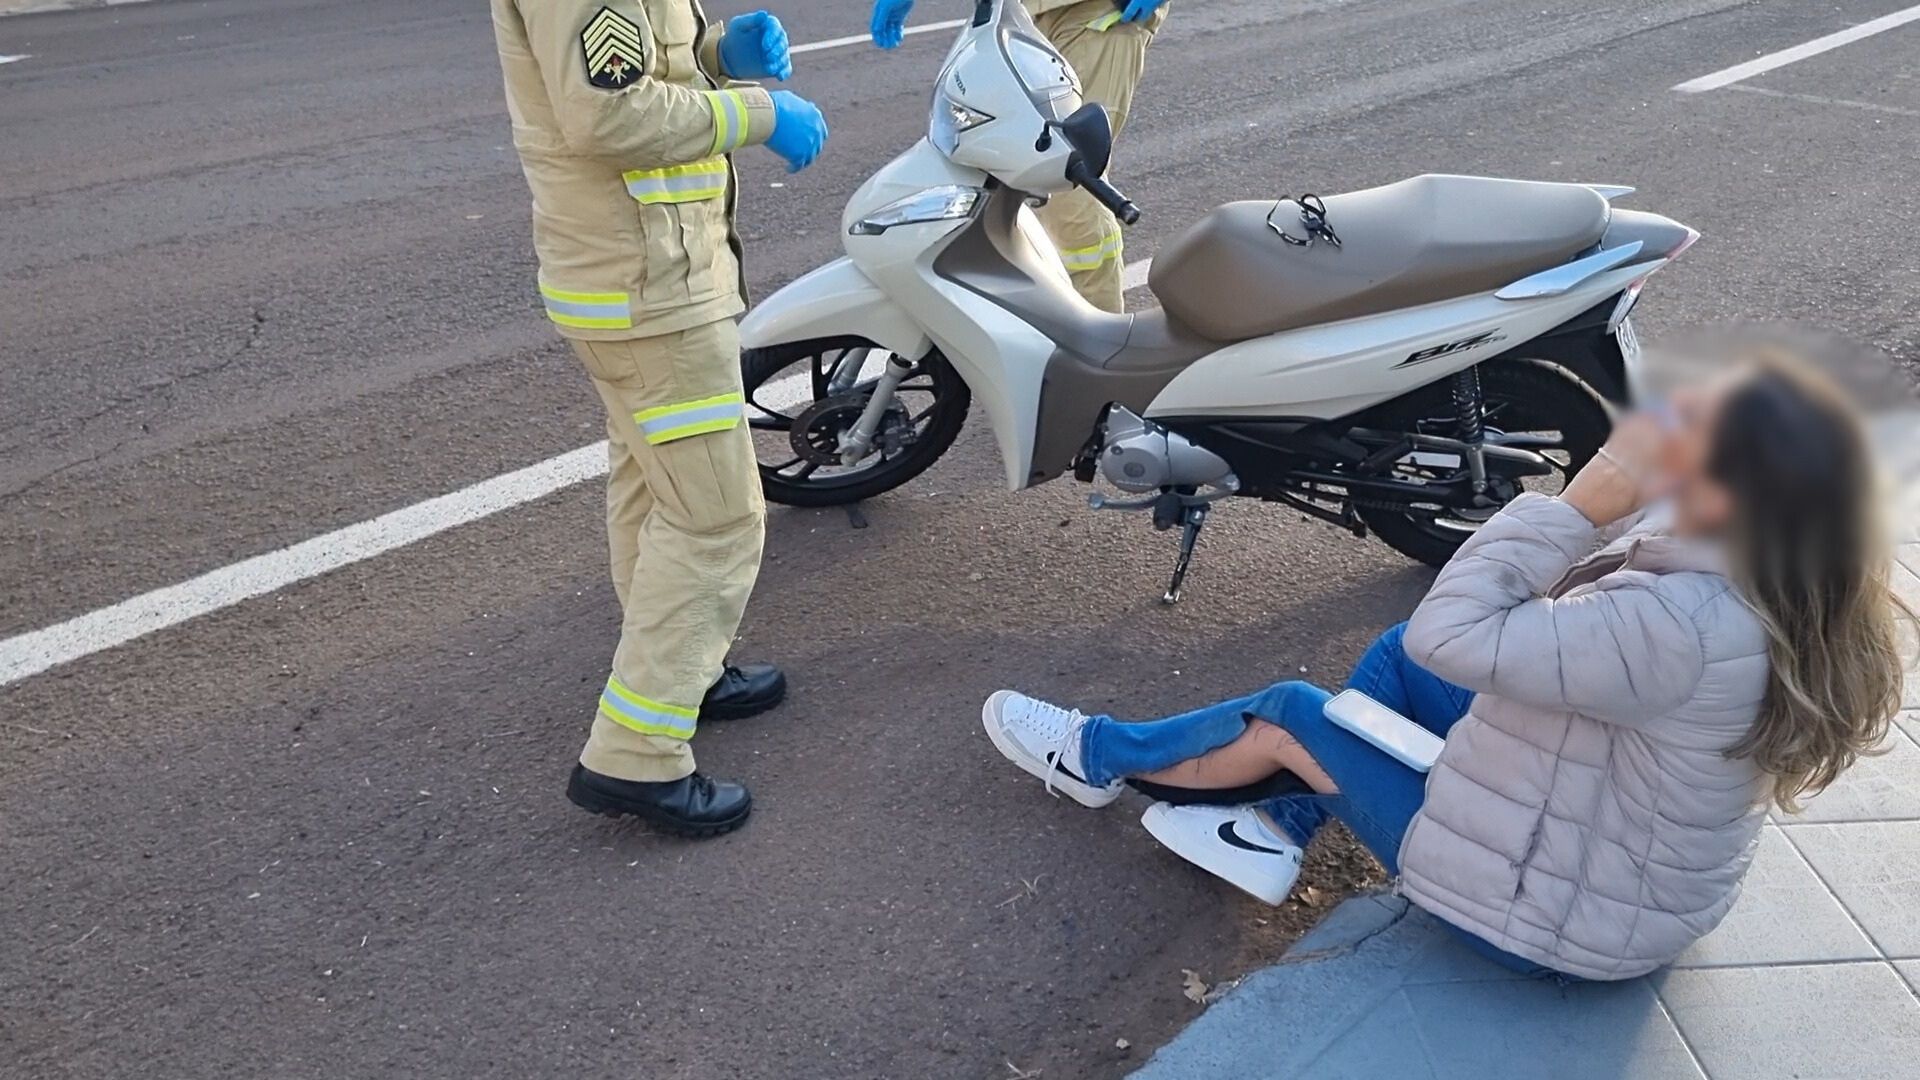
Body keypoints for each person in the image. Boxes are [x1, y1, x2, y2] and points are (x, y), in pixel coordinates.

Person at [981, 355, 1912, 980]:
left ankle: (1095, 759)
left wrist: (1578, 506)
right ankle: (1271, 828)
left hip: (1557, 922)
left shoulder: (1686, 620)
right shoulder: (1797, 573)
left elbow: (1453, 632)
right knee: (1388, 659)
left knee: (1293, 712)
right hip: (1619, 869)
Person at [491, 0, 830, 837]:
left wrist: (717, 49)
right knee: (717, 519)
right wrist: (762, 111)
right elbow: (608, 111)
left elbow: (639, 64)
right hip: (648, 289)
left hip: (633, 280)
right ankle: (636, 755)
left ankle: (686, 669)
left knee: (652, 486)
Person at [869, 0, 1169, 312]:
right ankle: (1028, 321)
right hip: (1015, 13)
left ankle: (1101, 336)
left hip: (1097, 12)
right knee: (992, 159)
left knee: (1064, 180)